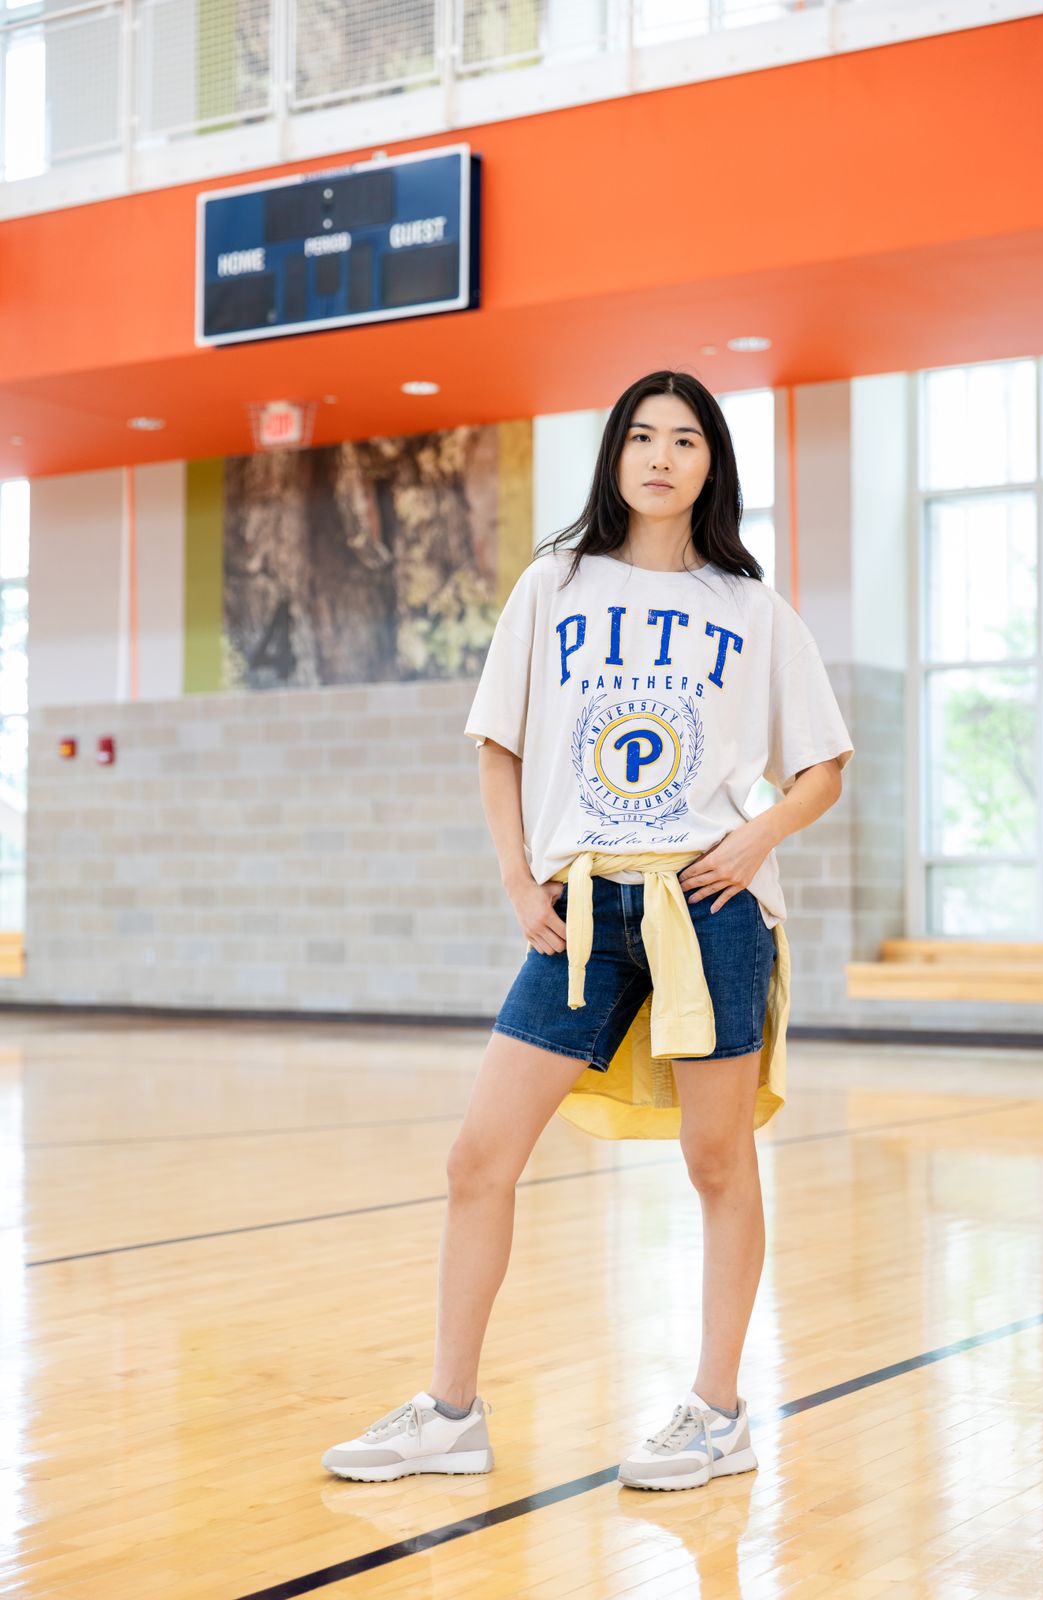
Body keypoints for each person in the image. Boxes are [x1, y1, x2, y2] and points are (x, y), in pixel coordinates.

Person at [322, 369, 854, 1491]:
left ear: (712, 465)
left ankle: (716, 1411)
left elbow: (821, 770)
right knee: (478, 1155)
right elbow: (497, 743)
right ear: (614, 456)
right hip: (581, 907)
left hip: (706, 905)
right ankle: (449, 1412)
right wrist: (518, 878)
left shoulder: (751, 609)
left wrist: (753, 842)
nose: (662, 456)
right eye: (642, 436)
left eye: (686, 440)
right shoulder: (553, 585)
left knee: (716, 1161)